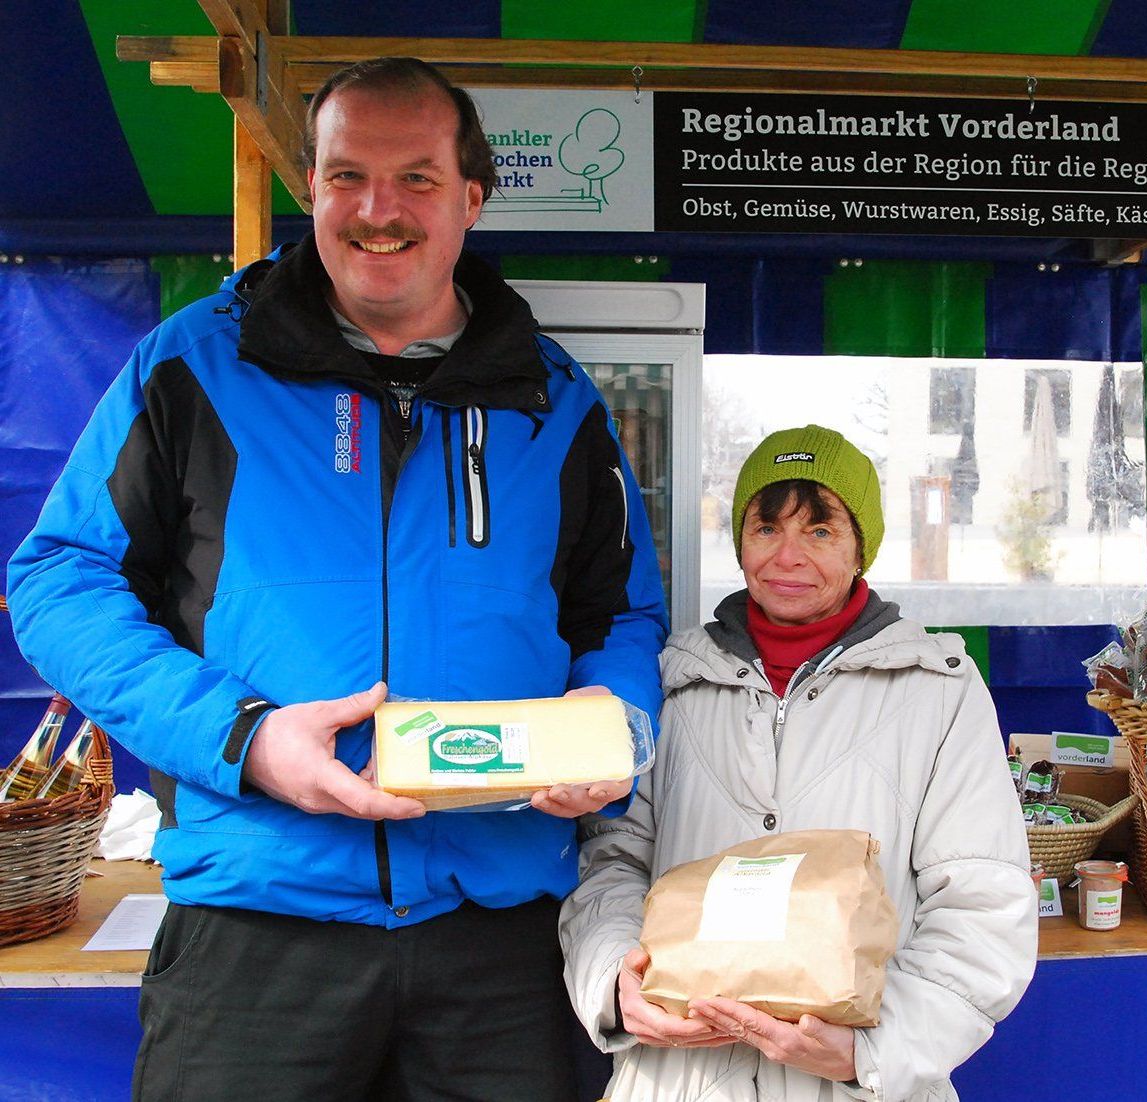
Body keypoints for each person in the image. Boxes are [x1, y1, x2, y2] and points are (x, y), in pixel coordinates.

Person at [7, 57, 666, 1101]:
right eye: (345, 175)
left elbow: (619, 610)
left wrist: (615, 723)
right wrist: (245, 737)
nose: (377, 209)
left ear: (471, 197)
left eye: (415, 177)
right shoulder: (193, 367)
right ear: (308, 189)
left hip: (499, 938)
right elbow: (57, 577)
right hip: (257, 933)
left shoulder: (557, 400)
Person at [561, 425, 1037, 1101]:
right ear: (739, 540)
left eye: (819, 531)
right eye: (765, 528)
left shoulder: (939, 690)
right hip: (680, 1078)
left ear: (859, 547)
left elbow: (982, 903)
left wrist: (869, 1049)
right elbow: (610, 863)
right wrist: (614, 981)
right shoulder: (670, 683)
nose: (787, 556)